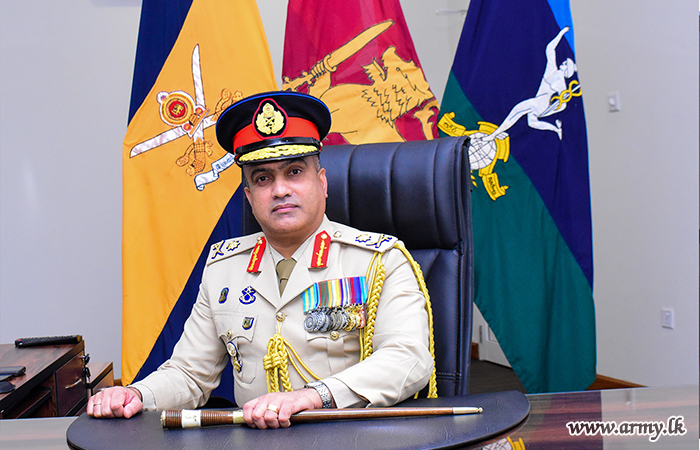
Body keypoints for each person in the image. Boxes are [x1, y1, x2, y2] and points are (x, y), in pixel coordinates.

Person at [87, 91, 435, 429]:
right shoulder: (224, 268)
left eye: (294, 172)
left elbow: (409, 358)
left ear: (322, 183)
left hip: (349, 439)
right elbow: (190, 374)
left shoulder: (379, 261)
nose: (280, 190)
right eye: (263, 178)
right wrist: (136, 394)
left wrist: (313, 396)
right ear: (250, 196)